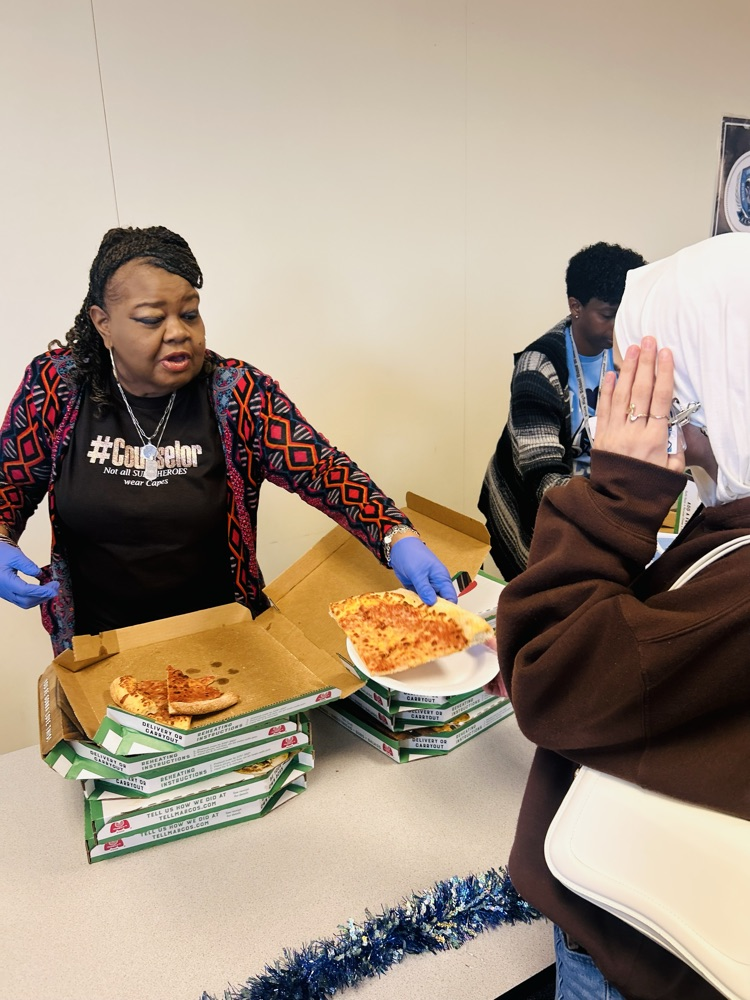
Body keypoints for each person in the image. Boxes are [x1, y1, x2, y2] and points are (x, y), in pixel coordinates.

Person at [494, 233, 750, 999]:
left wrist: (615, 497)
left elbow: (553, 681)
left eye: (677, 399)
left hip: (634, 947)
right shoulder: (539, 361)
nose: (673, 428)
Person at [0, 226, 456, 653]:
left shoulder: (237, 394)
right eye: (151, 319)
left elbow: (323, 471)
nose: (178, 331)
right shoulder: (58, 386)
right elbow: (8, 483)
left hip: (227, 641)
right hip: (99, 645)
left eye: (190, 313)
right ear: (103, 323)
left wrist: (394, 535)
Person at [478, 241, 647, 581]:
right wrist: (613, 510)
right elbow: (543, 480)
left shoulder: (626, 350)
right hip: (532, 512)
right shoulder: (539, 367)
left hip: (590, 503)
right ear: (576, 306)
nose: (620, 325)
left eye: (627, 313)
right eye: (609, 315)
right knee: (540, 603)